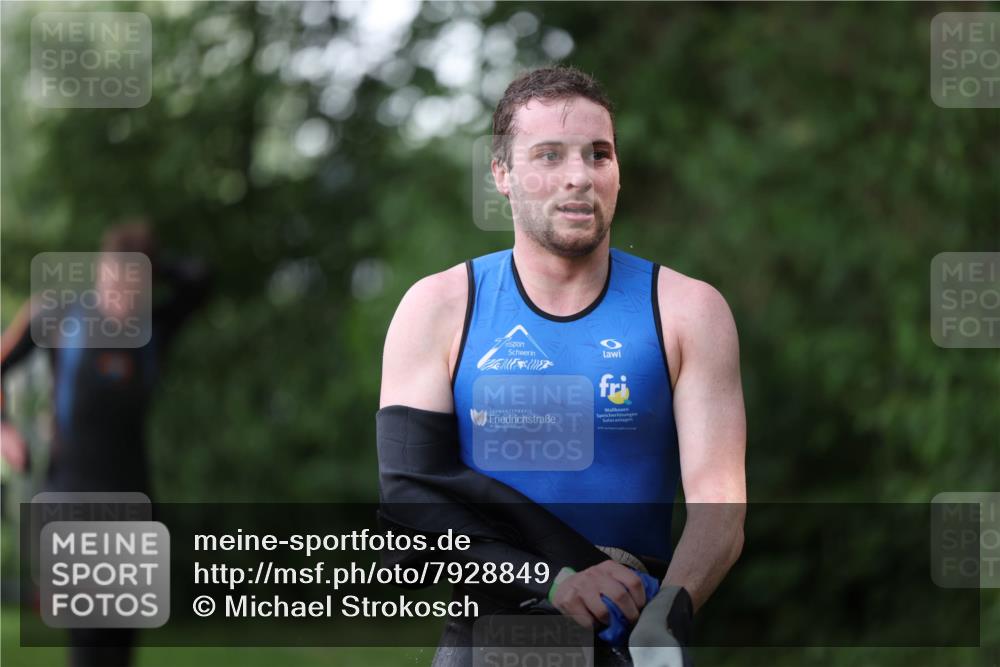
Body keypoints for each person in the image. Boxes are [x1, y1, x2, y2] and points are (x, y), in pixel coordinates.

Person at [379, 66, 746, 665]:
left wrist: (669, 611)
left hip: (631, 630)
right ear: (501, 172)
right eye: (549, 155)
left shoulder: (689, 310)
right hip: (491, 636)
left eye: (598, 155)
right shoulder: (439, 307)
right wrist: (556, 578)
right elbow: (409, 495)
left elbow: (721, 509)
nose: (579, 176)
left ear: (617, 173)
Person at [0, 220, 211, 667]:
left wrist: (153, 263)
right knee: (90, 639)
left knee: (120, 645)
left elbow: (202, 278)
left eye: (130, 288)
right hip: (71, 499)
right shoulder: (58, 317)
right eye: (111, 281)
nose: (117, 297)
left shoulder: (156, 329)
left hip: (134, 501)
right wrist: (4, 429)